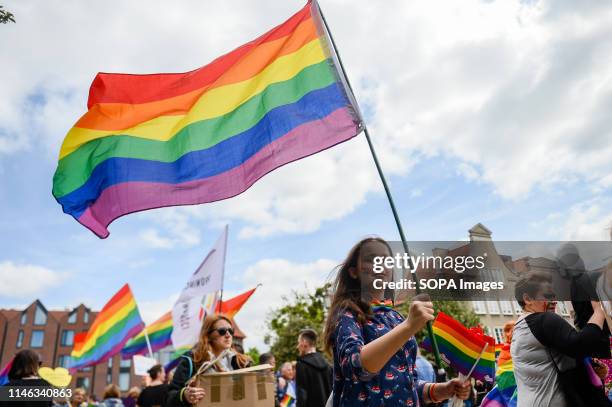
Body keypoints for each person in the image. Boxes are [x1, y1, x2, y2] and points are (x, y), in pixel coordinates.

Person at [323, 237, 471, 406]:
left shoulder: (396, 317)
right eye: (371, 259)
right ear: (353, 272)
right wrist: (408, 327)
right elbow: (357, 367)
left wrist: (441, 390)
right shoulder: (346, 314)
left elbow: (408, 383)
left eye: (387, 260)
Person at [511, 271, 611, 406]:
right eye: (548, 296)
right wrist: (599, 312)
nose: (554, 301)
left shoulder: (521, 327)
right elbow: (581, 345)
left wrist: (589, 365)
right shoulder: (542, 320)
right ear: (528, 299)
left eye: (554, 296)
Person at [166, 314, 251, 407]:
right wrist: (185, 395)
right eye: (222, 331)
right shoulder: (192, 359)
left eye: (230, 331)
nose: (228, 335)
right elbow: (169, 398)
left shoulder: (241, 361)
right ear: (208, 335)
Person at [295, 328, 332, 407]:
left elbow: (302, 396)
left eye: (298, 343)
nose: (297, 347)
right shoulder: (328, 365)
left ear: (304, 343)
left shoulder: (301, 365)